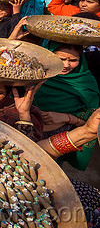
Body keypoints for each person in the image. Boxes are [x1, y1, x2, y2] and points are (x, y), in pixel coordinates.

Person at [34, 41, 100, 170]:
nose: (66, 65)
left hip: (63, 136)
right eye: (61, 59)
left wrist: (67, 117)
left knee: (51, 170)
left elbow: (92, 123)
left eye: (73, 60)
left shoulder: (85, 83)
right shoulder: (34, 75)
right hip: (30, 132)